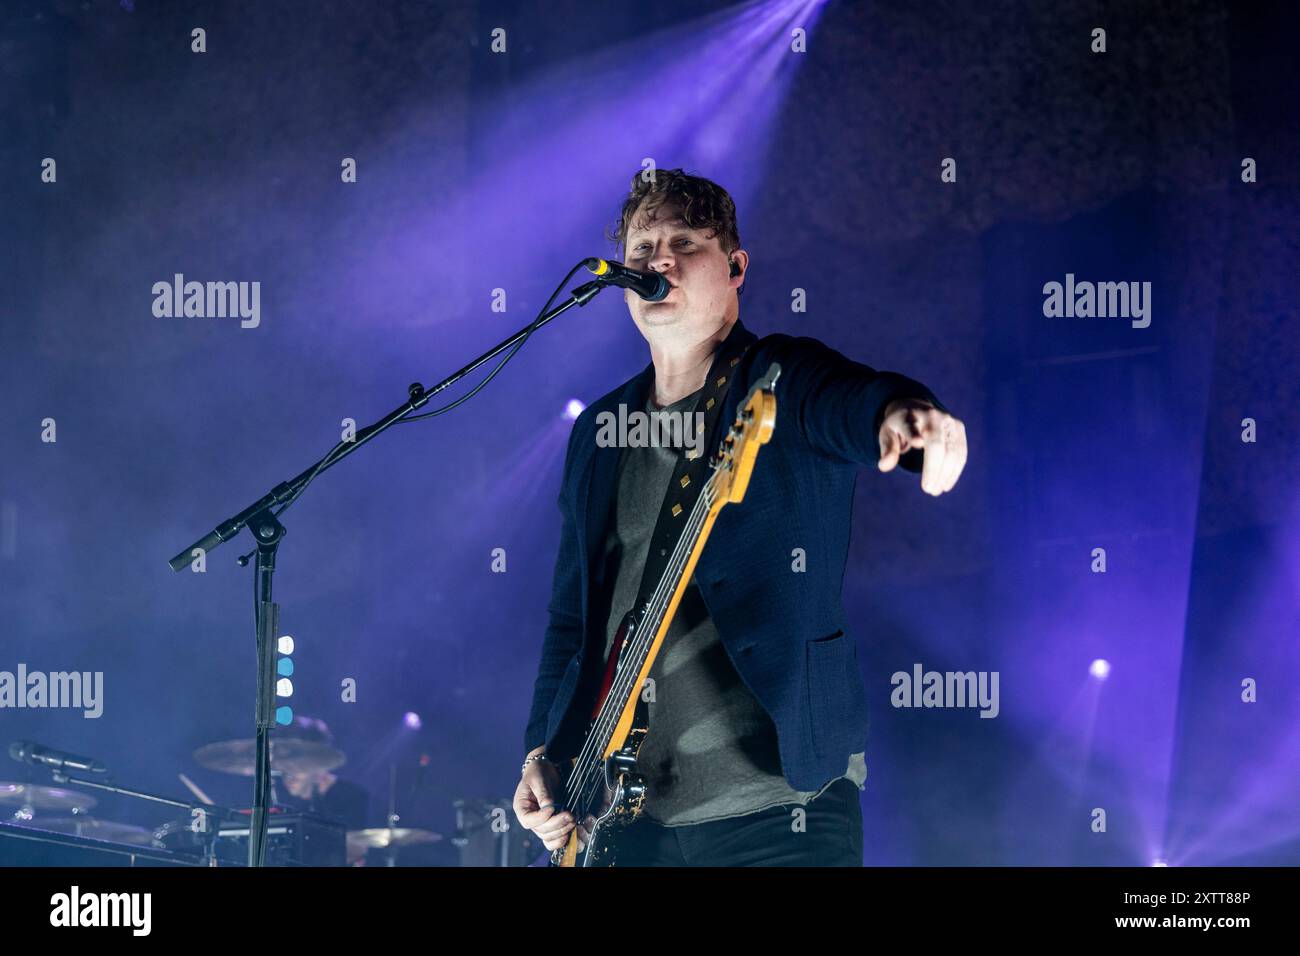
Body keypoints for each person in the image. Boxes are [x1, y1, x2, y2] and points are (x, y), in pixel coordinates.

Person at [512, 168, 967, 865]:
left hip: (778, 809)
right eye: (642, 248)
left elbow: (850, 399)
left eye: (685, 242)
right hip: (624, 824)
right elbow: (571, 621)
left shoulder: (777, 378)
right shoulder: (601, 428)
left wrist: (908, 417)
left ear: (735, 266)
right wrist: (541, 753)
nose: (658, 260)